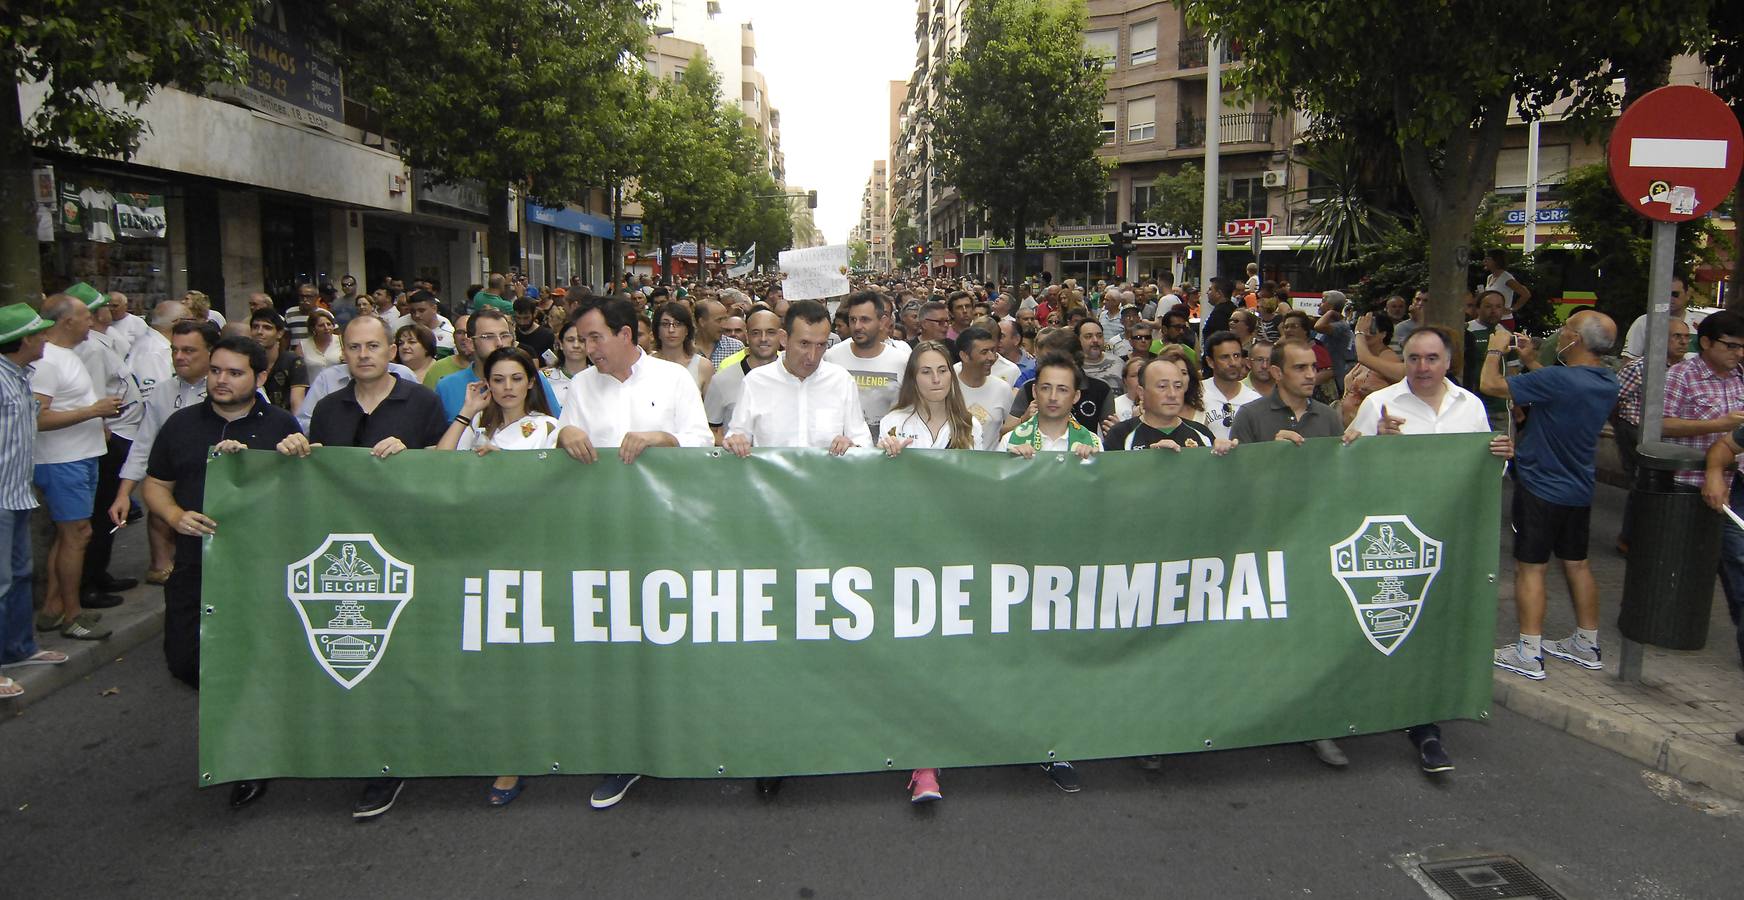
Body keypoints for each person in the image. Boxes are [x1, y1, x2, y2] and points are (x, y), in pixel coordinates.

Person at [277, 315, 449, 821]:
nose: (363, 355)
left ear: (391, 348)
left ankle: (410, 748)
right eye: (353, 347)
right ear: (343, 354)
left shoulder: (421, 403)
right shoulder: (328, 408)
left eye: (373, 345)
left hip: (412, 548)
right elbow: (313, 470)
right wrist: (294, 452)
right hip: (349, 554)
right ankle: (372, 758)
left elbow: (448, 467)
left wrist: (413, 455)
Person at [550, 295, 712, 810]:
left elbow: (700, 442)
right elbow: (564, 438)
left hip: (667, 536)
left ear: (627, 334)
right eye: (581, 338)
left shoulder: (674, 380)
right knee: (618, 644)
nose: (587, 347)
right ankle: (625, 752)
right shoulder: (578, 386)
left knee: (672, 638)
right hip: (604, 538)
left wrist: (659, 438)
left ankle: (687, 735)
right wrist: (565, 431)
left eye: (596, 337)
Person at [1343, 326, 1514, 774]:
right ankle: (1371, 705)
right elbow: (1348, 470)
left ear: (1448, 362)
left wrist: (1498, 455)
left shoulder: (1471, 406)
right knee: (1389, 621)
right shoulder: (1378, 404)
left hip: (1449, 533)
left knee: (1434, 622)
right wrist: (1377, 443)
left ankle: (1425, 721)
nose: (1422, 367)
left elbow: (1483, 476)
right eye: (1414, 358)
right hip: (1392, 537)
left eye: (1431, 358)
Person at [1481, 310, 1619, 681]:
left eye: (1565, 329)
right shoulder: (1605, 380)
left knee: (1531, 566)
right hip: (1578, 488)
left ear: (1576, 338)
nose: (1560, 334)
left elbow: (1490, 385)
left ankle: (1529, 651)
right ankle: (1587, 643)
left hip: (1541, 485)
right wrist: (1529, 360)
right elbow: (1558, 386)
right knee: (1577, 563)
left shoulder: (1562, 379)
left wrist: (1496, 351)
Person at [31, 295, 123, 639]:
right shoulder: (46, 361)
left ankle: (53, 607)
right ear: (66, 321)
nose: (95, 319)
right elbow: (37, 418)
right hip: (62, 460)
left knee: (69, 535)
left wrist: (96, 419)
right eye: (86, 315)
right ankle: (72, 615)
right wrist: (93, 411)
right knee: (77, 535)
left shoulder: (65, 356)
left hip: (79, 456)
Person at [1, 305, 69, 697]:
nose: (46, 338)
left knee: (20, 575)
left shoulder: (20, 376)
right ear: (25, 340)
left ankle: (18, 648)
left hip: (16, 494)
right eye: (40, 334)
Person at [725, 300, 872, 455]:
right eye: (804, 344)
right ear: (783, 339)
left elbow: (861, 439)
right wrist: (735, 442)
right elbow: (737, 435)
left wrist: (852, 445)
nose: (812, 356)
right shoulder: (755, 382)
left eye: (821, 345)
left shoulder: (841, 380)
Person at [1612, 317, 1693, 553]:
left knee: (1661, 484)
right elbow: (1614, 398)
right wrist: (1623, 428)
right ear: (1660, 339)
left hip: (1667, 434)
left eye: (1686, 337)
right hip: (1636, 429)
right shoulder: (1640, 367)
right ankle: (1629, 539)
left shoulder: (1686, 368)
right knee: (1642, 482)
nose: (1683, 342)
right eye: (1676, 336)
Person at [435, 309, 561, 420]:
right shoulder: (447, 386)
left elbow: (557, 429)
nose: (499, 343)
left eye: (505, 335)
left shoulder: (535, 380)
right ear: (470, 343)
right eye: (488, 337)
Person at [1106, 351, 1232, 453]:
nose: (1172, 394)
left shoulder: (1202, 434)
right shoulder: (1121, 435)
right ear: (1141, 393)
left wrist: (1225, 455)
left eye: (1178, 386)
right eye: (1162, 386)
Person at [824, 291, 910, 436]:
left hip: (888, 451)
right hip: (842, 450)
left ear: (882, 322)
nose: (857, 326)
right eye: (853, 320)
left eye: (865, 320)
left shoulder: (902, 361)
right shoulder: (831, 357)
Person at [879, 340, 981, 452]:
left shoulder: (970, 425)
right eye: (926, 372)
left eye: (942, 371)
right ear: (913, 378)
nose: (936, 379)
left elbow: (977, 468)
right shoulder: (893, 422)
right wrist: (885, 455)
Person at [705, 308, 782, 443]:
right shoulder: (722, 380)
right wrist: (729, 444)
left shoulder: (795, 376)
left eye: (770, 332)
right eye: (756, 333)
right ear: (747, 336)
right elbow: (708, 431)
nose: (763, 339)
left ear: (781, 336)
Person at [1462, 290, 1521, 433]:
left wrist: (1516, 403)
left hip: (1500, 406)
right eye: (1488, 306)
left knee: (1504, 451)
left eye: (1498, 307)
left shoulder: (1506, 334)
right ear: (1478, 308)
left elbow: (1513, 370)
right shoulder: (1466, 330)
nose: (1493, 311)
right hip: (1471, 403)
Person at [953, 326, 1015, 451]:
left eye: (993, 350)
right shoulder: (948, 386)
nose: (991, 357)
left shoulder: (1002, 389)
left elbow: (1008, 430)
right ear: (964, 356)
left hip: (990, 467)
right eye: (984, 352)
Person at [1197, 332, 1263, 441]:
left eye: (1236, 356)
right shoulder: (1197, 394)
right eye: (1225, 357)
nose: (1233, 362)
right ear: (1210, 362)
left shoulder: (1255, 400)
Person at [1340, 313, 1400, 426]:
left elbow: (1363, 357)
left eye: (1371, 329)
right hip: (1351, 426)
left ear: (1383, 334)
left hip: (1374, 427)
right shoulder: (1365, 359)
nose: (1366, 333)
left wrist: (1359, 333)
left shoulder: (1388, 358)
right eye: (1363, 328)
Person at [251, 309, 308, 413]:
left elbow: (297, 404)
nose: (259, 332)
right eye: (255, 327)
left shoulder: (294, 362)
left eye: (267, 328)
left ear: (280, 333)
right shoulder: (246, 362)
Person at [1621, 276, 1689, 360]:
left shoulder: (1701, 323)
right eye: (1665, 294)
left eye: (1675, 294)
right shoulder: (1644, 322)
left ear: (1687, 295)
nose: (1669, 298)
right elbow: (1628, 362)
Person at [651, 301, 712, 393]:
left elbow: (710, 405)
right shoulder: (646, 364)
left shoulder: (703, 366)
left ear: (687, 330)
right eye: (665, 324)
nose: (671, 330)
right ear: (657, 330)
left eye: (678, 324)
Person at [539, 317, 590, 397]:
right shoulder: (544, 378)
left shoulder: (601, 377)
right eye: (570, 340)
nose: (576, 345)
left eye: (582, 340)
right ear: (561, 344)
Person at [1482, 249, 1532, 324]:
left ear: (1496, 261)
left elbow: (1525, 294)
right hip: (1490, 319)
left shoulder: (1506, 278)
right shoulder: (1490, 277)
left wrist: (1512, 309)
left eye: (1488, 259)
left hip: (1504, 320)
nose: (1484, 262)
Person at [695, 298, 746, 368]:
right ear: (702, 322)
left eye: (725, 319)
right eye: (719, 320)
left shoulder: (735, 348)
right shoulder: (683, 347)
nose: (724, 325)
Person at [1076, 319, 1123, 392]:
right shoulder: (1073, 367)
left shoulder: (1118, 363)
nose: (1095, 340)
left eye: (1099, 336)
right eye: (1088, 336)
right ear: (1078, 340)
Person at [297, 307, 342, 379]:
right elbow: (298, 372)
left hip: (339, 388)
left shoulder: (342, 341)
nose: (326, 328)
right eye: (321, 325)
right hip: (314, 388)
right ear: (313, 328)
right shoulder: (303, 345)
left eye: (329, 324)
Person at [512, 297, 555, 364]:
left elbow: (552, 363)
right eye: (518, 318)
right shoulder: (512, 333)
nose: (522, 322)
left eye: (526, 318)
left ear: (534, 313)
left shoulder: (547, 335)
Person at [1114, 355, 1144, 421]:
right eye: (1134, 376)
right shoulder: (1114, 405)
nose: (1139, 379)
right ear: (1125, 380)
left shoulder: (1157, 404)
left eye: (1143, 374)